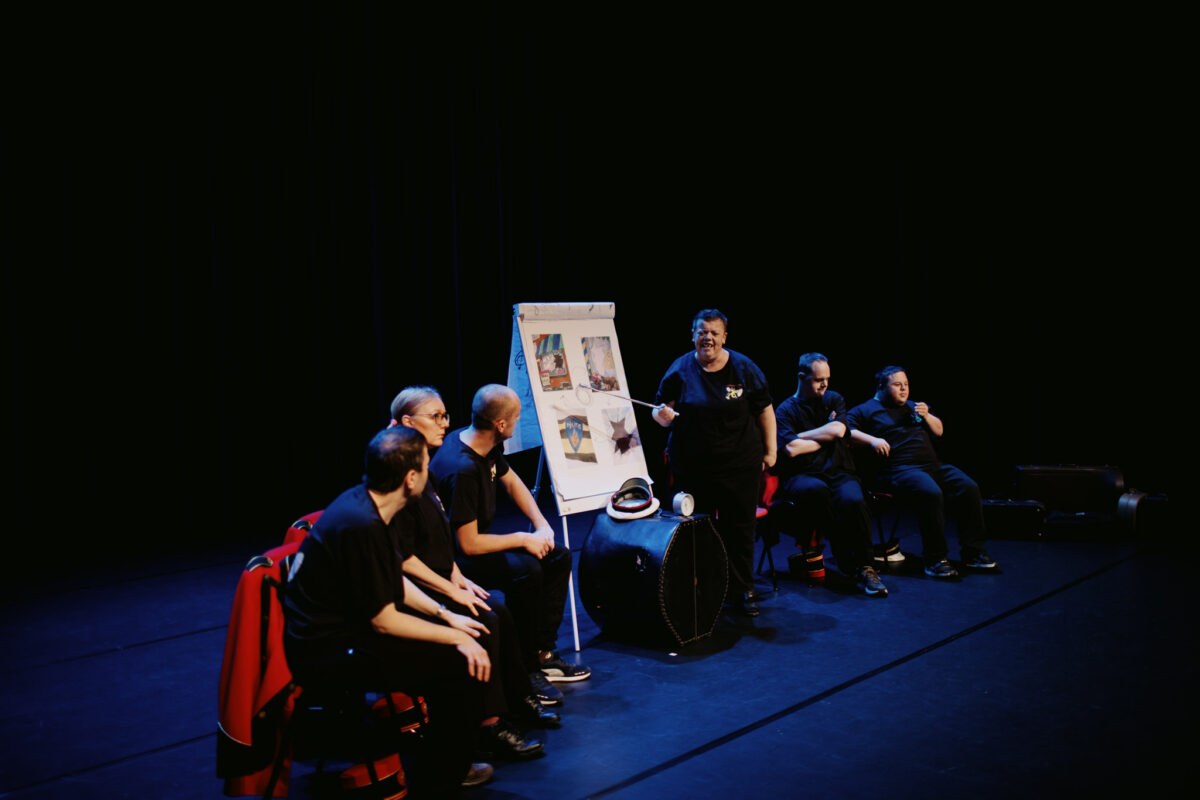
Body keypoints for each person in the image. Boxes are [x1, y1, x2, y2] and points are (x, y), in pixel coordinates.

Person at [283, 426, 491, 798]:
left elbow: (392, 577)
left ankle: (442, 762)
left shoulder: (374, 506)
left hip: (350, 629)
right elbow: (383, 620)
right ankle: (438, 781)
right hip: (327, 651)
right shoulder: (361, 523)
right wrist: (455, 635)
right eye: (425, 464)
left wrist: (446, 614)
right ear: (411, 479)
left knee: (466, 642)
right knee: (461, 666)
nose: (430, 469)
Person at [390, 385, 560, 754]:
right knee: (490, 613)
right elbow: (402, 556)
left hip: (444, 573)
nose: (444, 424)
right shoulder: (404, 474)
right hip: (411, 590)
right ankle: (489, 723)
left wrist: (456, 575)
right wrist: (451, 589)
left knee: (498, 609)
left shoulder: (425, 465)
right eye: (435, 417)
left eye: (445, 416)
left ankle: (519, 695)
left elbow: (438, 537)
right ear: (406, 422)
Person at [429, 384, 591, 708]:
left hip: (472, 548)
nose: (518, 421)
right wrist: (522, 538)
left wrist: (542, 526)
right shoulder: (463, 469)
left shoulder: (484, 441)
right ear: (501, 425)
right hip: (455, 561)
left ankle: (543, 652)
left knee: (556, 556)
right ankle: (525, 669)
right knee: (526, 570)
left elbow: (512, 481)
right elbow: (469, 544)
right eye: (516, 417)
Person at [652, 309, 776, 616]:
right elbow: (660, 413)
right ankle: (705, 591)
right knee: (697, 531)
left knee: (740, 530)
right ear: (693, 335)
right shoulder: (679, 370)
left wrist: (770, 452)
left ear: (724, 337)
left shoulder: (744, 368)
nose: (707, 337)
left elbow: (765, 411)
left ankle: (743, 589)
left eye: (714, 333)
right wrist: (663, 416)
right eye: (701, 332)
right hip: (693, 469)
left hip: (739, 465)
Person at [845, 366, 998, 579]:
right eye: (897, 385)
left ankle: (973, 552)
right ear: (881, 386)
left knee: (968, 487)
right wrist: (873, 440)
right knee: (931, 493)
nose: (904, 389)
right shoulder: (865, 409)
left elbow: (939, 431)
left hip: (933, 466)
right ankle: (935, 559)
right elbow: (846, 431)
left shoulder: (913, 407)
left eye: (906, 385)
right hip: (899, 470)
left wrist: (927, 416)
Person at [774, 353, 888, 596]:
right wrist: (822, 436)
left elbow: (838, 429)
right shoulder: (785, 410)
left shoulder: (833, 399)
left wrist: (802, 435)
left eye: (827, 379)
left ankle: (866, 567)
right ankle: (844, 554)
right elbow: (792, 450)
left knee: (854, 499)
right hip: (803, 475)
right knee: (815, 491)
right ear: (802, 378)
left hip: (839, 472)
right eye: (818, 380)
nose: (824, 384)